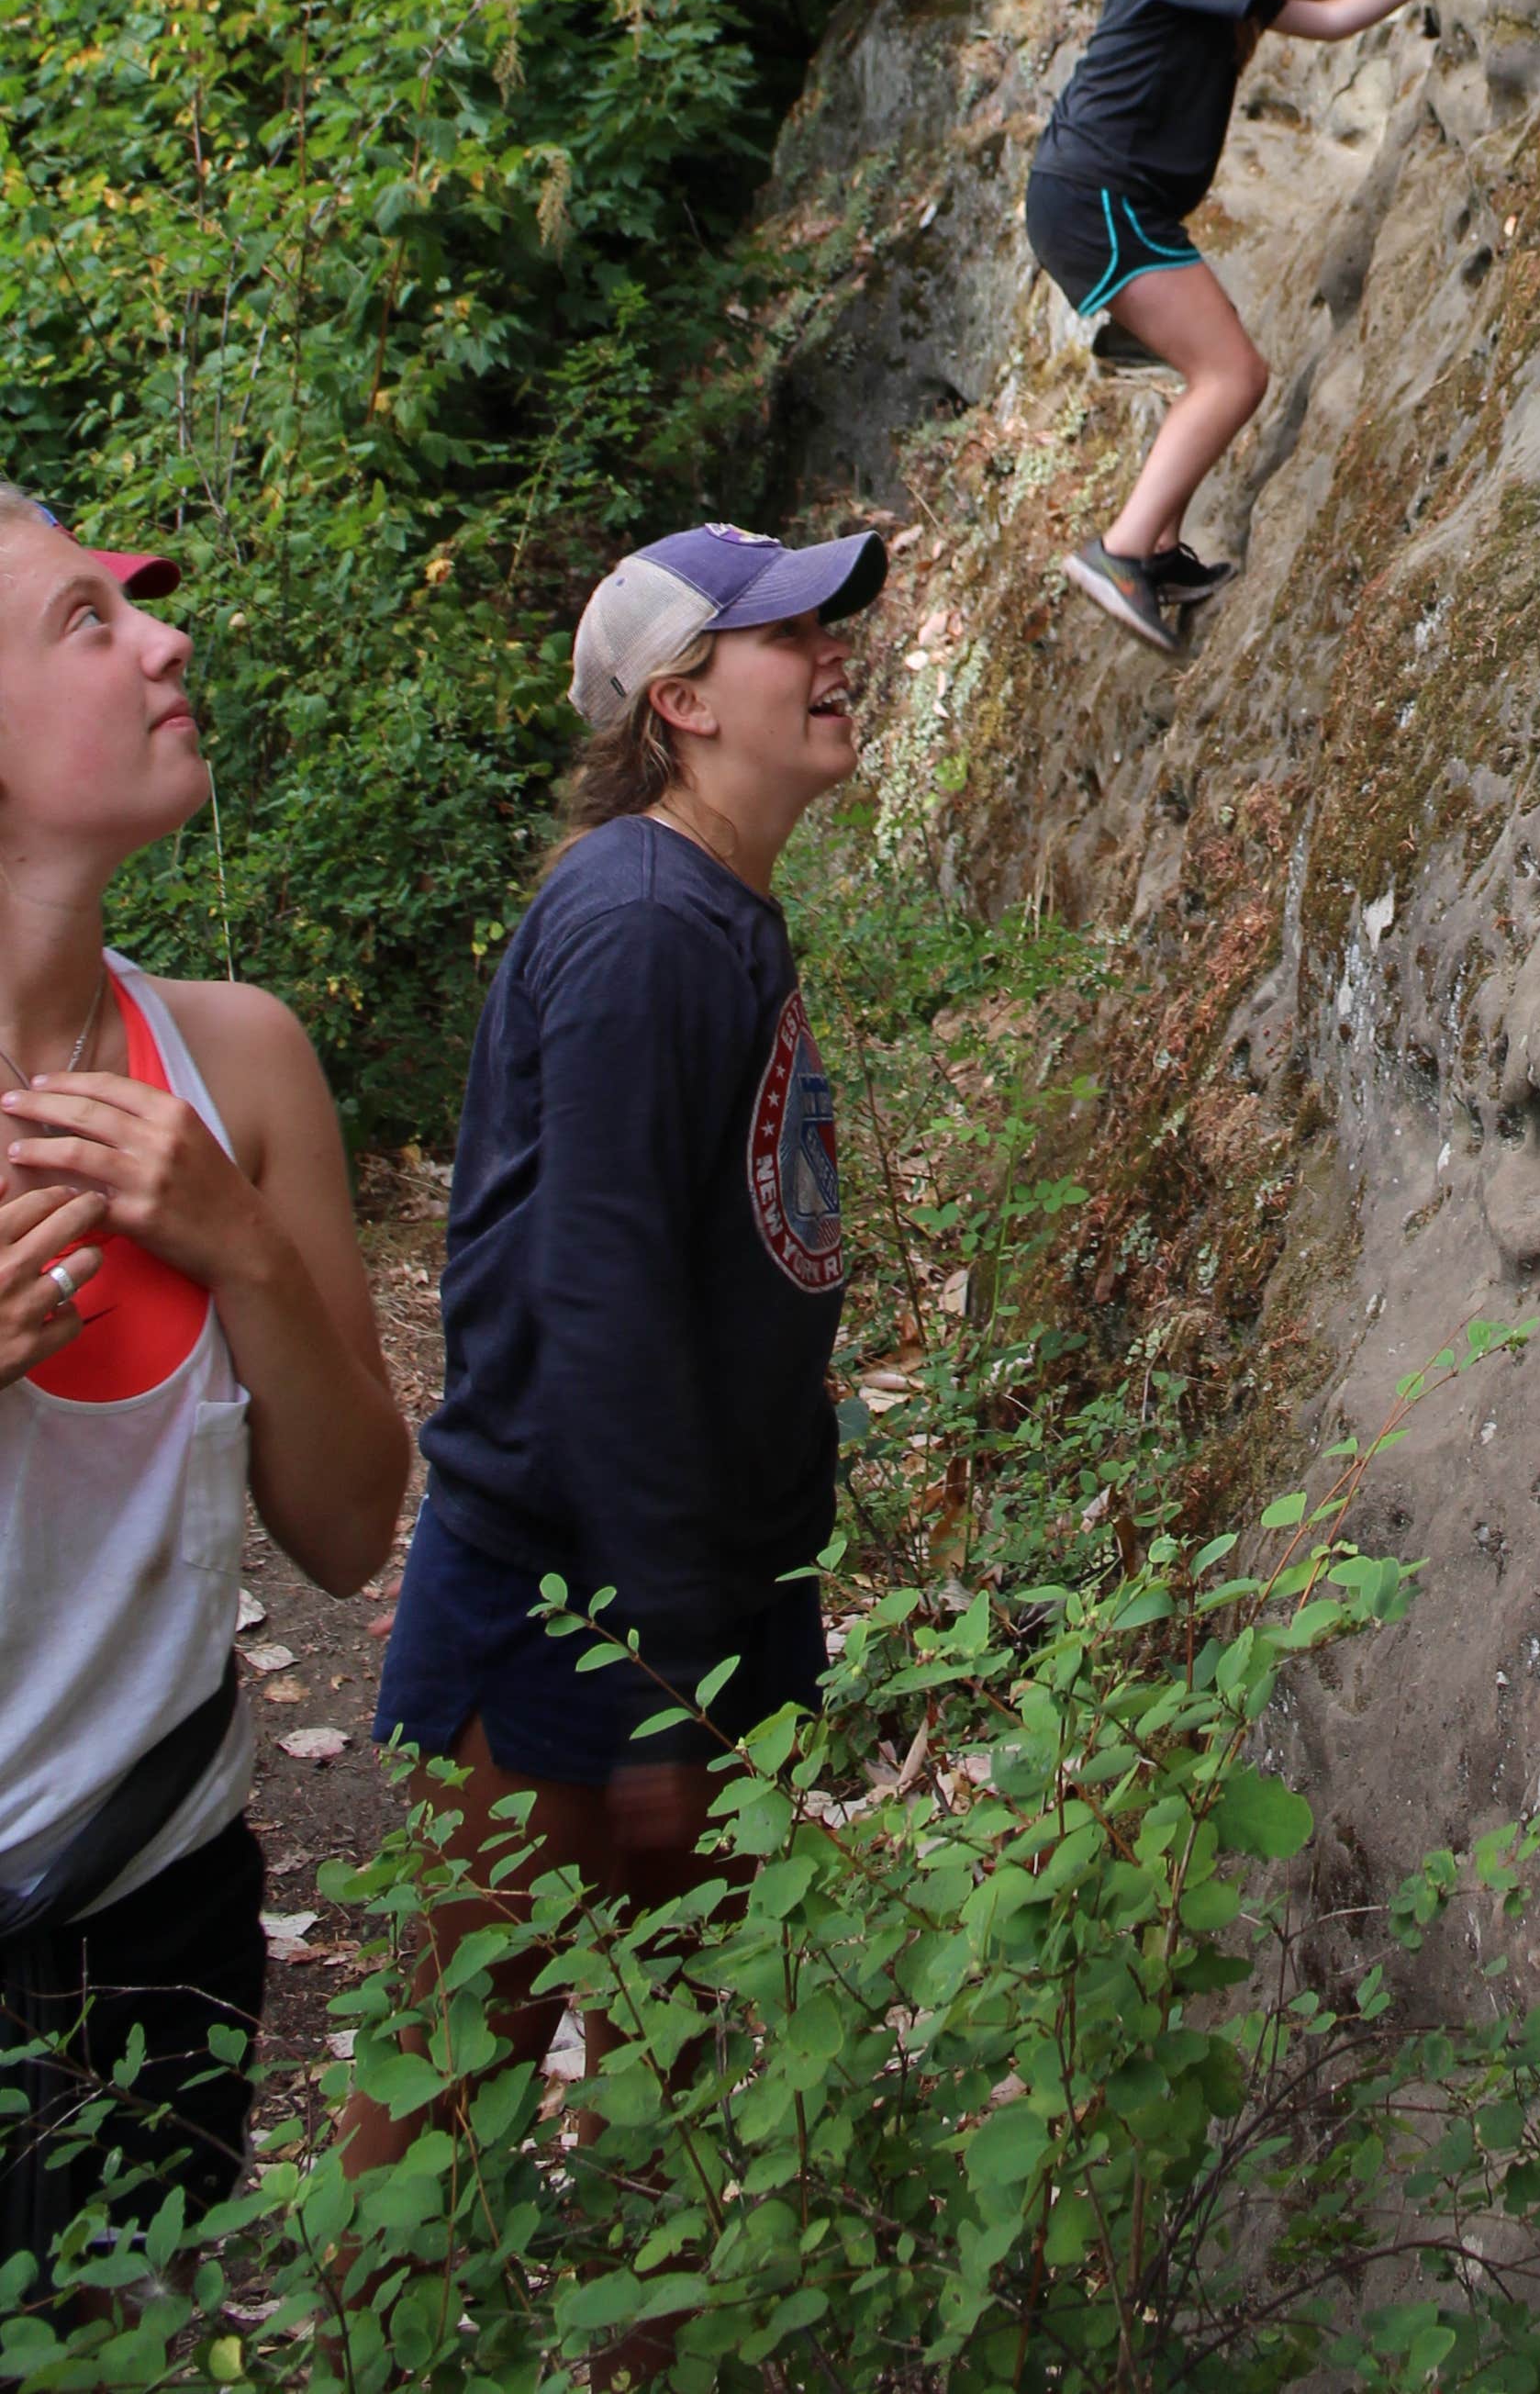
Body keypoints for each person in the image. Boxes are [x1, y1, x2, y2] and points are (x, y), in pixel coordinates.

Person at [351, 520, 884, 2157]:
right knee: (454, 2094)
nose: (832, 648)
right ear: (681, 700)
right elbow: (597, 1298)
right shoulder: (646, 923)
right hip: (576, 1604)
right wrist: (665, 1679)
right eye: (786, 629)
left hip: (693, 1593)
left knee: (694, 2103)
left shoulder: (707, 907)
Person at [0, 489, 410, 2275]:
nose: (170, 641)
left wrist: (240, 1241)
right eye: (88, 623)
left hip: (162, 1913)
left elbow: (343, 1528)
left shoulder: (237, 1061)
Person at [1028, 0, 1478, 654]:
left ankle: (1155, 552)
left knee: (1221, 367)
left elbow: (1335, 16)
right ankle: (1121, 550)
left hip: (1106, 202)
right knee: (1232, 373)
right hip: (1098, 198)